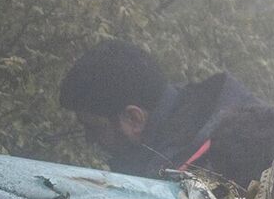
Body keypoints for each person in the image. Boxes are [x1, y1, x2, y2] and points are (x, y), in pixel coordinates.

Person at [58, 39, 261, 177]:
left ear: (134, 119)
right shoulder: (186, 114)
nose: (89, 140)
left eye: (95, 128)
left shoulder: (200, 177)